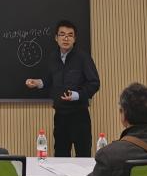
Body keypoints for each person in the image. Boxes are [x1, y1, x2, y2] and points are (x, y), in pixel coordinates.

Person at [23, 20, 100, 157]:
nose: (66, 38)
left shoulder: (83, 57)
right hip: (60, 116)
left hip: (79, 116)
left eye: (70, 35)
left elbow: (94, 83)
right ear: (56, 38)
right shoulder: (53, 57)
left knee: (83, 157)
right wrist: (37, 83)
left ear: (74, 39)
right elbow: (48, 81)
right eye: (62, 34)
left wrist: (76, 95)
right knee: (60, 156)